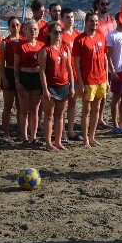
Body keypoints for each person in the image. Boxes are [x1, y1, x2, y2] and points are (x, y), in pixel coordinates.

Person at [73, 12, 108, 148]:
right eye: (91, 21)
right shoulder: (80, 40)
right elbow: (77, 64)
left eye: (96, 21)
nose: (94, 23)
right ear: (86, 22)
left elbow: (104, 57)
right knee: (86, 111)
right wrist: (80, 83)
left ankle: (92, 137)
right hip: (88, 80)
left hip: (101, 79)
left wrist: (107, 78)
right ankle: (85, 139)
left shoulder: (101, 37)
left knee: (97, 109)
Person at [38, 22, 73, 152]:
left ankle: (58, 142)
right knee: (49, 116)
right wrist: (45, 89)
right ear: (49, 33)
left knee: (60, 115)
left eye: (60, 32)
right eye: (56, 32)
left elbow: (70, 69)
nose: (58, 34)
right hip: (50, 86)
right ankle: (48, 142)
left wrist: (72, 86)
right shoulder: (45, 50)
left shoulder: (65, 49)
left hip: (63, 85)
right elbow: (41, 71)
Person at [15, 20, 44, 145]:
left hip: (36, 78)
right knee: (24, 109)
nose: (33, 31)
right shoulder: (20, 45)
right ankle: (25, 137)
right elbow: (16, 67)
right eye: (30, 29)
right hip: (24, 77)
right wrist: (17, 82)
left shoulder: (41, 45)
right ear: (25, 31)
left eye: (35, 29)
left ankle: (33, 136)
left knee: (35, 110)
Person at [93, 0, 116, 128]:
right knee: (96, 92)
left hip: (109, 58)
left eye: (107, 4)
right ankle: (95, 118)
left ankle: (100, 118)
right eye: (102, 4)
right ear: (97, 5)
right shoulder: (95, 20)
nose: (105, 6)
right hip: (98, 59)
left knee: (105, 92)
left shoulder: (110, 20)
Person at [59, 8, 81, 141]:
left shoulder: (78, 35)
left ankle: (71, 131)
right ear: (62, 19)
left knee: (73, 104)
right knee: (63, 105)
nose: (70, 19)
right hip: (64, 74)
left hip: (75, 73)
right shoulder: (60, 34)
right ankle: (62, 132)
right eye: (67, 17)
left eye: (72, 17)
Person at [0, 16, 22, 143]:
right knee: (8, 106)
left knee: (21, 106)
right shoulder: (5, 42)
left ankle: (20, 131)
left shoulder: (24, 40)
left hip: (21, 74)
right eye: (13, 25)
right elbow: (2, 62)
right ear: (9, 27)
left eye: (17, 25)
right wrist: (4, 77)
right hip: (9, 72)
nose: (16, 27)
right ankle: (6, 133)